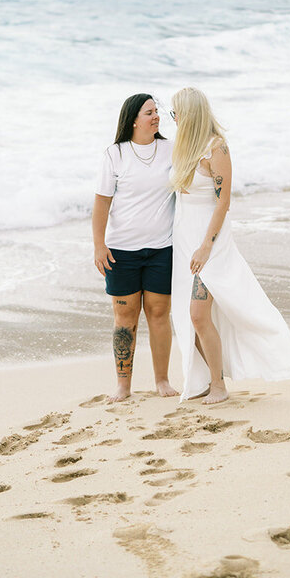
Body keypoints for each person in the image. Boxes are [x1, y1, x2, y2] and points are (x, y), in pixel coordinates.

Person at [169, 87, 290, 405]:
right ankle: (203, 378)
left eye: (176, 113)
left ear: (190, 114)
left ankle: (219, 385)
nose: (173, 120)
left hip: (210, 245)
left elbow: (223, 202)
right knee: (188, 317)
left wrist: (206, 247)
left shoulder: (217, 149)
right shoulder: (184, 147)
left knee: (199, 315)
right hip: (185, 243)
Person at [93, 93, 179, 403]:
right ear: (133, 119)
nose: (156, 117)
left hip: (161, 248)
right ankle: (123, 385)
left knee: (159, 314)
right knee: (124, 319)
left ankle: (162, 380)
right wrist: (99, 246)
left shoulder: (171, 150)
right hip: (121, 251)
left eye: (157, 112)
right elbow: (102, 201)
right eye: (149, 113)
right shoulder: (115, 154)